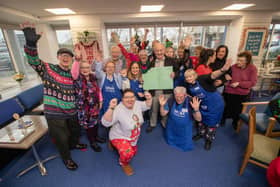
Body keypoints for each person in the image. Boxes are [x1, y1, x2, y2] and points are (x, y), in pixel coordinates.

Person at [20, 22, 86, 170]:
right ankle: (66, 158)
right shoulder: (48, 69)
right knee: (62, 138)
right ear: (58, 57)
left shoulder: (71, 73)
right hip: (55, 113)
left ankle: (74, 144)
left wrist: (79, 59)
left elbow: (79, 79)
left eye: (68, 56)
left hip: (71, 110)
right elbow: (33, 61)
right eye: (63, 55)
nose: (66, 58)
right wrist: (31, 44)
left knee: (75, 132)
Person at [101, 89, 152, 176]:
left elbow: (147, 106)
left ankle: (116, 145)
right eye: (126, 97)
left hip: (132, 136)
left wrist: (149, 99)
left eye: (132, 97)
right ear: (122, 99)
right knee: (128, 153)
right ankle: (124, 163)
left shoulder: (137, 104)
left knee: (133, 152)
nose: (130, 99)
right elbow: (105, 123)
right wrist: (111, 108)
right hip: (118, 136)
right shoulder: (118, 109)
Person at [184, 59, 231, 150]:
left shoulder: (202, 79)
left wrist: (222, 70)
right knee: (201, 121)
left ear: (195, 76)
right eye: (186, 77)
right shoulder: (188, 86)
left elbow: (213, 75)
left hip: (215, 105)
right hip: (202, 105)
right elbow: (193, 95)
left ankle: (209, 139)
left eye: (190, 76)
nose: (188, 79)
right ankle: (201, 134)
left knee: (212, 124)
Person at [71, 60, 104, 152]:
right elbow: (73, 71)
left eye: (87, 67)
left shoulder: (93, 77)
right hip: (84, 108)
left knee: (95, 122)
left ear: (90, 69)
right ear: (79, 69)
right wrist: (77, 60)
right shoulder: (78, 79)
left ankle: (96, 137)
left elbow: (98, 90)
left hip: (95, 105)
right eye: (83, 67)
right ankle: (92, 141)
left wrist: (100, 101)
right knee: (89, 125)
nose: (85, 69)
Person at [146, 42, 178, 133]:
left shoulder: (171, 60)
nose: (159, 52)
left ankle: (164, 123)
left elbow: (178, 71)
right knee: (154, 108)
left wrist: (174, 74)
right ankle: (152, 124)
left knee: (165, 107)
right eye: (157, 50)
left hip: (166, 89)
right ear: (154, 51)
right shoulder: (151, 62)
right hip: (155, 90)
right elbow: (148, 75)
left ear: (164, 50)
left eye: (161, 50)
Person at [222, 51, 257, 129]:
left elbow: (252, 82)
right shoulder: (233, 67)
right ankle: (223, 119)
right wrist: (226, 78)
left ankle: (235, 122)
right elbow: (226, 77)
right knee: (226, 107)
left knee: (238, 110)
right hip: (229, 91)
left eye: (241, 60)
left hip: (242, 93)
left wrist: (239, 83)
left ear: (247, 61)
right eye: (238, 59)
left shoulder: (252, 68)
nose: (238, 62)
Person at [159, 87, 202, 151]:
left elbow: (199, 119)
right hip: (172, 129)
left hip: (185, 131)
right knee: (170, 142)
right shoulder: (171, 100)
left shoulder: (192, 102)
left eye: (181, 97)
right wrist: (162, 106)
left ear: (185, 95)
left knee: (186, 145)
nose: (179, 99)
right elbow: (163, 114)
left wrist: (196, 110)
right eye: (177, 97)